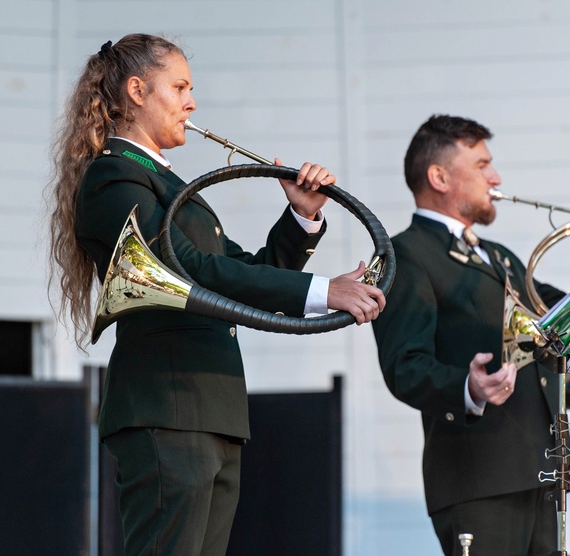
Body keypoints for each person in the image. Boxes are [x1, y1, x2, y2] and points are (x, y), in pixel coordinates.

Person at [46, 33, 384, 555]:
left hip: (210, 411)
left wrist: (301, 215)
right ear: (137, 91)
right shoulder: (115, 175)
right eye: (179, 86)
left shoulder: (160, 180)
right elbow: (194, 271)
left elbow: (238, 272)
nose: (192, 102)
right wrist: (323, 291)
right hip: (167, 407)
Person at [371, 114, 570, 556]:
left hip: (542, 471)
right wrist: (468, 387)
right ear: (439, 177)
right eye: (482, 165)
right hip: (479, 481)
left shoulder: (498, 255)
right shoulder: (405, 254)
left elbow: (565, 316)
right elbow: (403, 366)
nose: (496, 177)